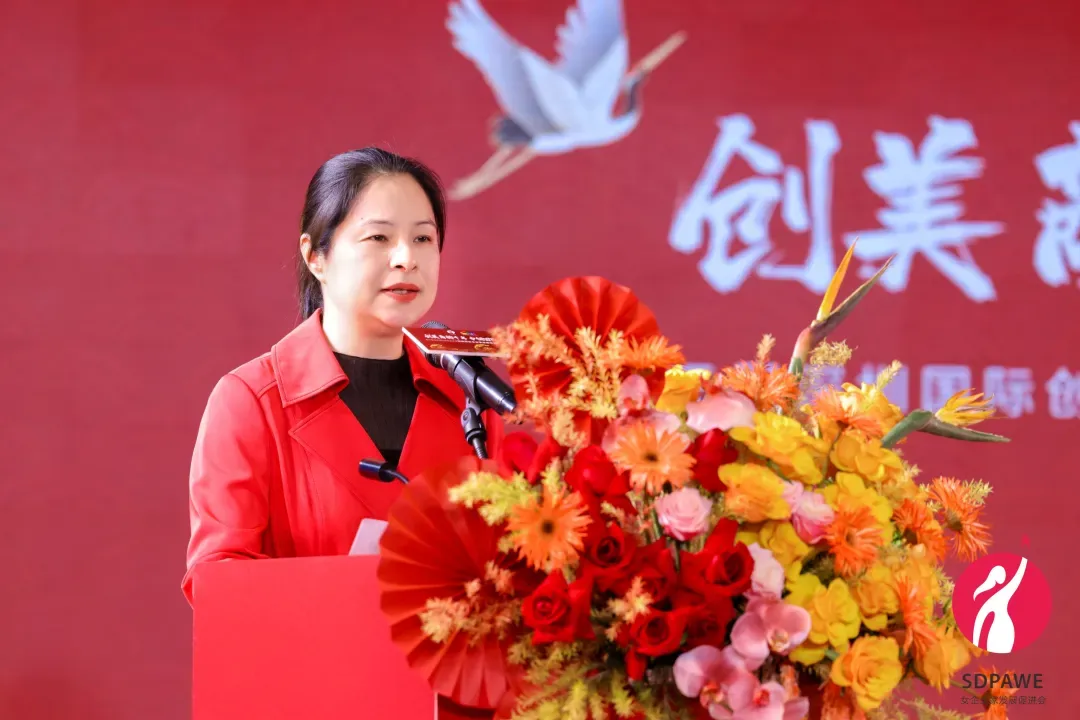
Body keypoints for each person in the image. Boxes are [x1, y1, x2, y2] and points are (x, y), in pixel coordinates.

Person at [182, 147, 506, 605]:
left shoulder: (468, 401)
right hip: (309, 651)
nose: (406, 258)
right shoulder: (253, 401)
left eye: (423, 238)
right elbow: (220, 582)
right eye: (378, 237)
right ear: (316, 256)